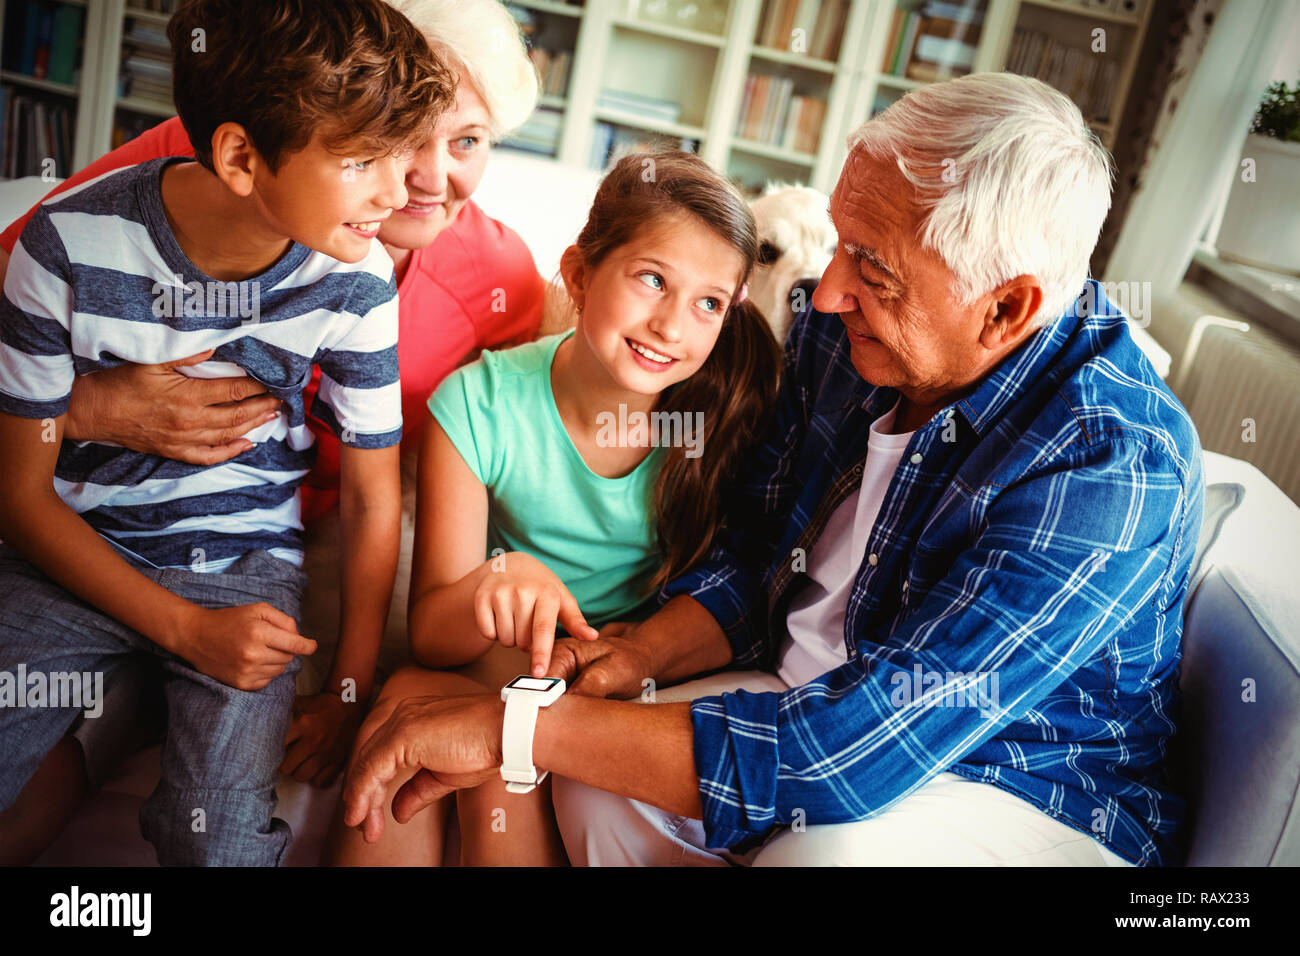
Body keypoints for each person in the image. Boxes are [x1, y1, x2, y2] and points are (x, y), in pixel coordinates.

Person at [343, 73, 1206, 867]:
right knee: (596, 781)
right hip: (809, 691)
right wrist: (634, 653)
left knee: (816, 859)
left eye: (870, 268)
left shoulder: (1110, 463)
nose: (823, 294)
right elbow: (757, 558)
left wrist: (510, 726)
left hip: (1012, 785)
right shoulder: (848, 337)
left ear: (1006, 306)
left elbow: (851, 753)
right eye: (841, 245)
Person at [0, 0, 547, 865]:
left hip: (257, 554)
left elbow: (413, 491)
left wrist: (350, 683)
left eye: (467, 141)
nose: (417, 180)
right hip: (83, 537)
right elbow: (21, 473)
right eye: (389, 146)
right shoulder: (130, 204)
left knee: (213, 823)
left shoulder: (427, 276)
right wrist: (96, 408)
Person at [328, 151, 781, 866]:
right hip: (499, 664)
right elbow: (432, 639)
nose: (670, 325)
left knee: (493, 771)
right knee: (409, 706)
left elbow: (731, 598)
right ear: (578, 274)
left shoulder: (720, 423)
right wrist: (495, 579)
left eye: (708, 303)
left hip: (618, 682)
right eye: (652, 279)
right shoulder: (477, 404)